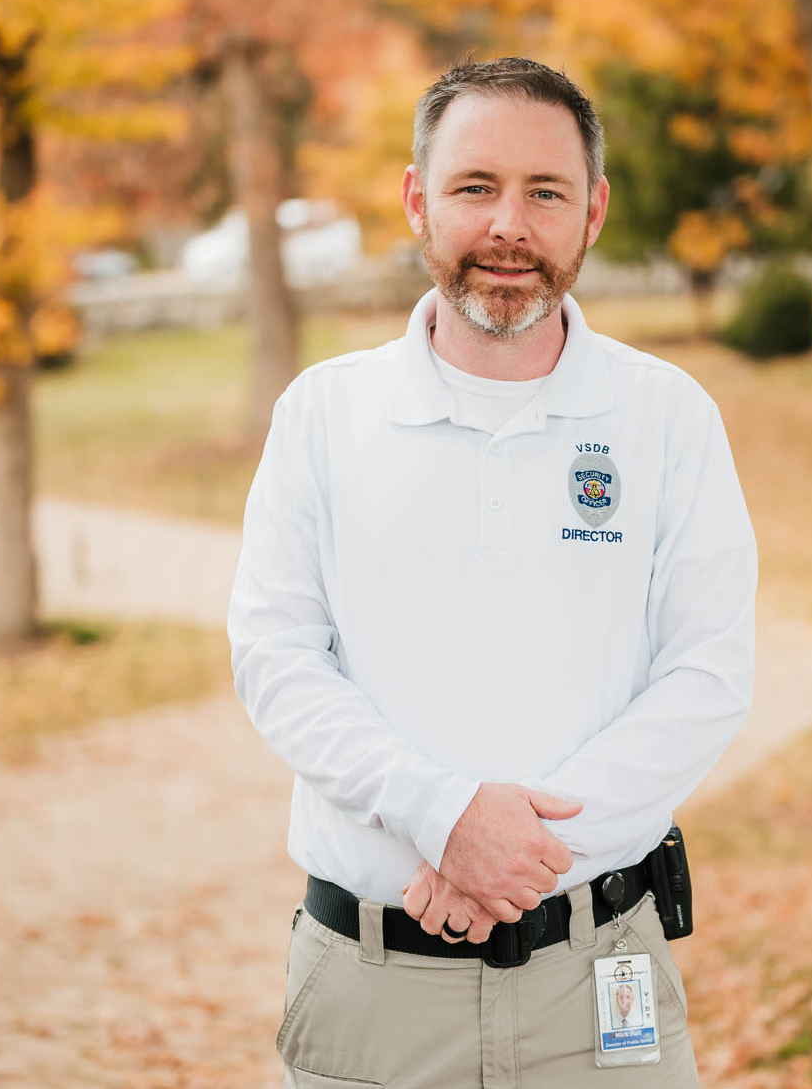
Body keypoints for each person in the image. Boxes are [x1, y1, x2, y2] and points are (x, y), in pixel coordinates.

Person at [228, 56, 757, 1088]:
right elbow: (276, 659)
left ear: (592, 211)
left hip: (602, 975)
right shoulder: (324, 416)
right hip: (374, 986)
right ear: (417, 201)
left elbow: (704, 677)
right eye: (475, 187)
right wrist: (443, 813)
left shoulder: (665, 417)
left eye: (544, 191)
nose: (508, 224)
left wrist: (512, 860)